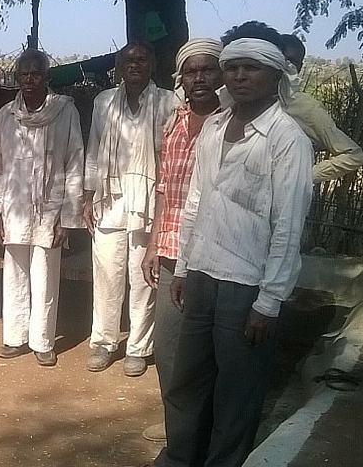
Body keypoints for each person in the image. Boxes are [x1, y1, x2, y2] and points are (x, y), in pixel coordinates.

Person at [155, 37, 313, 467]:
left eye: (252, 68)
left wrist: (270, 300)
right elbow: (195, 200)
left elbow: (288, 225)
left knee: (236, 391)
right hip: (203, 272)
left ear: (276, 75)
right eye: (233, 67)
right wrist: (184, 267)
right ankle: (179, 458)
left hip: (248, 283)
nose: (240, 76)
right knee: (187, 380)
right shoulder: (214, 126)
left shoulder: (287, 139)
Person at [139, 38, 224, 443]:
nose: (200, 78)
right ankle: (181, 433)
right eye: (192, 71)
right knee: (169, 352)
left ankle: (200, 436)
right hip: (172, 252)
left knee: (206, 354)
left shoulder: (230, 124)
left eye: (208, 69)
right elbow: (164, 189)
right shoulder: (173, 121)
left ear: (220, 74)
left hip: (213, 255)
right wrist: (155, 242)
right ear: (181, 79)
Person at [0, 50, 84, 365]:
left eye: (35, 74)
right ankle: (15, 338)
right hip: (13, 207)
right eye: (23, 74)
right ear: (16, 77)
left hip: (50, 208)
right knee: (14, 273)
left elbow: (75, 161)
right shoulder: (5, 115)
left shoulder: (64, 111)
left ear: (46, 76)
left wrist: (67, 218)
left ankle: (42, 342)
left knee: (44, 275)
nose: (29, 80)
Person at [83, 40, 175, 376]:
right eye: (128, 61)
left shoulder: (169, 101)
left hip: (149, 198)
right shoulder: (104, 101)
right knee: (106, 274)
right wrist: (87, 195)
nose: (134, 66)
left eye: (141, 60)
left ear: (152, 64)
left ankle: (138, 347)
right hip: (109, 197)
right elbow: (93, 148)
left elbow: (172, 156)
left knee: (143, 277)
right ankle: (104, 342)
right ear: (119, 67)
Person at [218, 24, 362, 184]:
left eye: (292, 63)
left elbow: (352, 154)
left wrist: (303, 176)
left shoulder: (305, 107)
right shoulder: (230, 101)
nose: (288, 66)